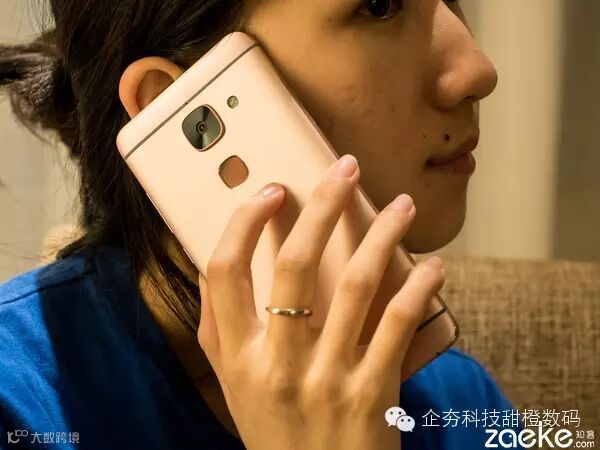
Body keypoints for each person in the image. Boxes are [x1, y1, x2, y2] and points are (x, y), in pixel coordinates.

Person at [0, 0, 522, 449]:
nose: (477, 71)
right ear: (172, 104)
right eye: (379, 5)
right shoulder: (19, 403)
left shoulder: (461, 404)